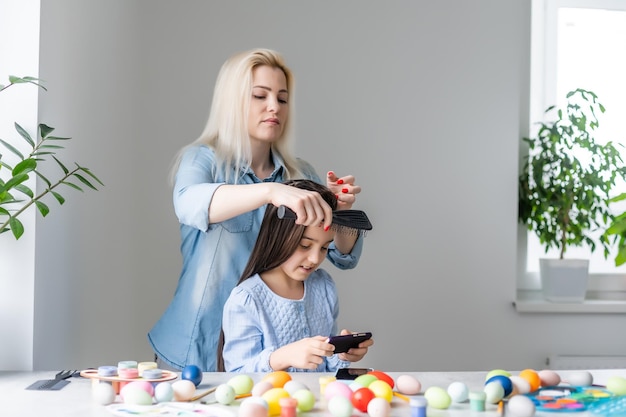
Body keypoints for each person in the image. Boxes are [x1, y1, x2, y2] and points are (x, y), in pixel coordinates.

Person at [147, 48, 365, 371]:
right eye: (260, 96)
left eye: (282, 98)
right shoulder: (202, 160)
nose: (274, 107)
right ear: (233, 102)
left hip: (266, 353)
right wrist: (270, 192)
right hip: (196, 350)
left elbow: (341, 255)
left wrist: (340, 212)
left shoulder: (300, 174)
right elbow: (190, 204)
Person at [218, 179, 373, 372]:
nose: (315, 258)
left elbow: (325, 366)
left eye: (324, 247)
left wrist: (341, 353)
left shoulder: (323, 286)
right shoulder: (246, 300)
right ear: (279, 236)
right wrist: (281, 357)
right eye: (305, 245)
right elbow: (237, 374)